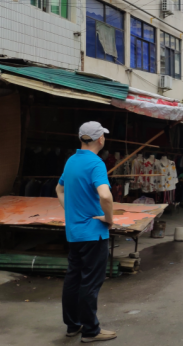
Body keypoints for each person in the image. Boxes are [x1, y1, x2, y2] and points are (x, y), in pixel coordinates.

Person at [55, 122, 117, 343]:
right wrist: (108, 219)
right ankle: (91, 330)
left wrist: (71, 210)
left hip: (74, 232)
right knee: (90, 282)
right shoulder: (96, 163)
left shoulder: (71, 161)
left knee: (73, 278)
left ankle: (73, 325)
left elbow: (59, 189)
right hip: (94, 233)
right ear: (100, 139)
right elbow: (106, 196)